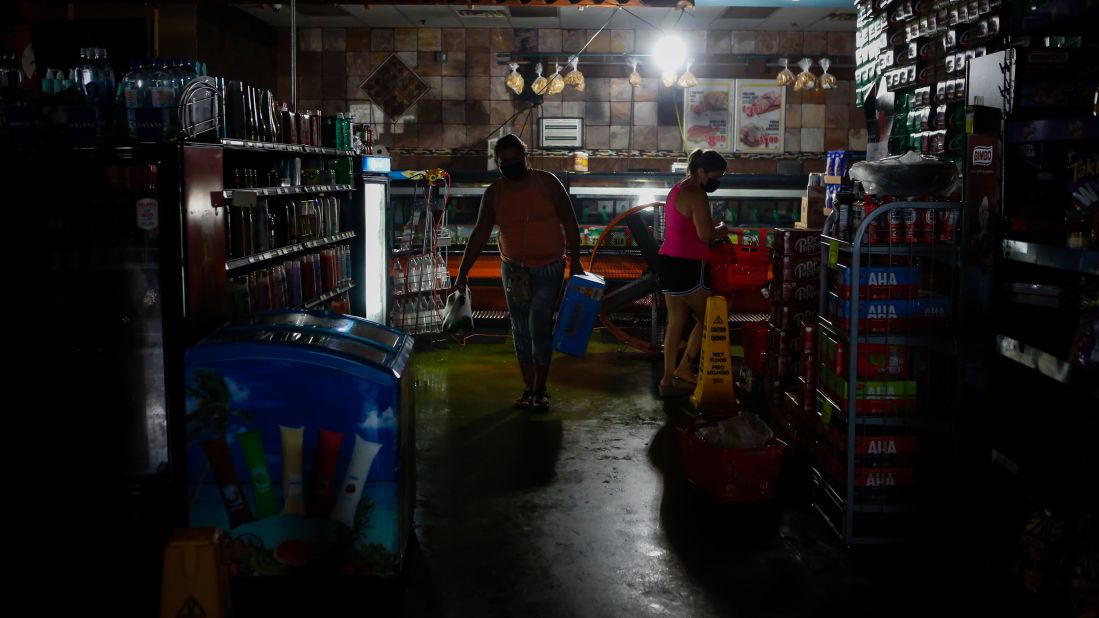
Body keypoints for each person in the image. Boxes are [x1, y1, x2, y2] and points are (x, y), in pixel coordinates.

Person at [452, 134, 584, 412]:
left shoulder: (547, 183)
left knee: (539, 326)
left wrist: (576, 262)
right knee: (520, 329)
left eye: (516, 160)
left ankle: (540, 389)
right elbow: (479, 234)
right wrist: (463, 271)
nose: (511, 166)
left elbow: (570, 221)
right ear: (498, 164)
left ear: (526, 158)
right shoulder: (494, 193)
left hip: (550, 267)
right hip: (513, 270)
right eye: (505, 163)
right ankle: (529, 389)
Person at [657, 149, 728, 397]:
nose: (717, 182)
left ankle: (667, 379)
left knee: (676, 322)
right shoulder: (696, 193)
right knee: (709, 318)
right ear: (701, 172)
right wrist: (722, 228)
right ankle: (685, 368)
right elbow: (706, 235)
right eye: (716, 176)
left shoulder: (677, 189)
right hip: (689, 264)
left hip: (667, 261)